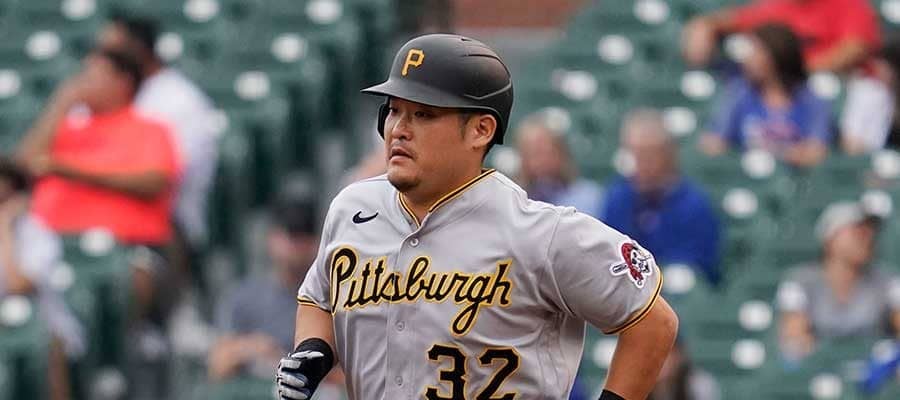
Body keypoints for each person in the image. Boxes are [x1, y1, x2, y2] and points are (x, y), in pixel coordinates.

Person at [275, 34, 678, 400]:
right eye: (394, 111)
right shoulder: (353, 208)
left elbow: (653, 323)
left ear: (480, 130)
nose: (399, 128)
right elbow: (318, 297)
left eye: (423, 114)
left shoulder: (539, 232)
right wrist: (315, 349)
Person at [94, 12, 219, 290]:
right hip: (102, 219)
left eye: (111, 53)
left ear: (138, 49)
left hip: (167, 230)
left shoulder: (181, 101)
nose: (101, 59)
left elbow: (162, 181)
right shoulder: (99, 94)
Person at [208, 186, 344, 387]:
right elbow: (217, 366)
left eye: (306, 234)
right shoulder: (244, 298)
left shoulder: (337, 299)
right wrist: (253, 348)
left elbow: (352, 378)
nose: (299, 245)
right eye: (293, 234)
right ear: (272, 238)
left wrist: (304, 369)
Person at [603, 108, 722, 285]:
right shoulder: (618, 198)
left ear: (668, 154)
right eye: (636, 154)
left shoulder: (694, 204)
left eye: (649, 154)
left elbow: (699, 265)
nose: (642, 163)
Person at [0, 158, 83, 400]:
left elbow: (18, 285)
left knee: (47, 347)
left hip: (42, 327)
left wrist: (4, 228)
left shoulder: (38, 233)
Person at [776, 201, 900, 362]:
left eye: (870, 232)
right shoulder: (801, 282)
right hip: (820, 369)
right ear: (831, 238)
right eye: (858, 231)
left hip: (875, 369)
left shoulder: (887, 281)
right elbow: (794, 339)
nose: (868, 238)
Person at [699, 24, 833, 167]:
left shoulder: (811, 101)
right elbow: (713, 143)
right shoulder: (739, 94)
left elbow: (816, 152)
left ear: (777, 56)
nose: (748, 59)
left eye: (756, 52)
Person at [682, 0, 880, 74]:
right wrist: (703, 27)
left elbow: (855, 49)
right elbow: (730, 20)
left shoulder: (848, 4)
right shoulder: (778, 6)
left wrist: (797, 70)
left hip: (838, 87)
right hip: (788, 90)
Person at [514, 112, 604, 216]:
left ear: (561, 151)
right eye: (534, 153)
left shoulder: (589, 196)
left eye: (547, 151)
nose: (542, 160)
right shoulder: (514, 202)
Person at [842, 34, 900, 154]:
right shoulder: (868, 92)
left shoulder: (890, 95)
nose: (880, 70)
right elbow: (851, 144)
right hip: (868, 159)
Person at [648, 338, 720, 400]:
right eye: (652, 351)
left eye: (668, 351)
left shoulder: (698, 384)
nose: (659, 357)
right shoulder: (643, 381)